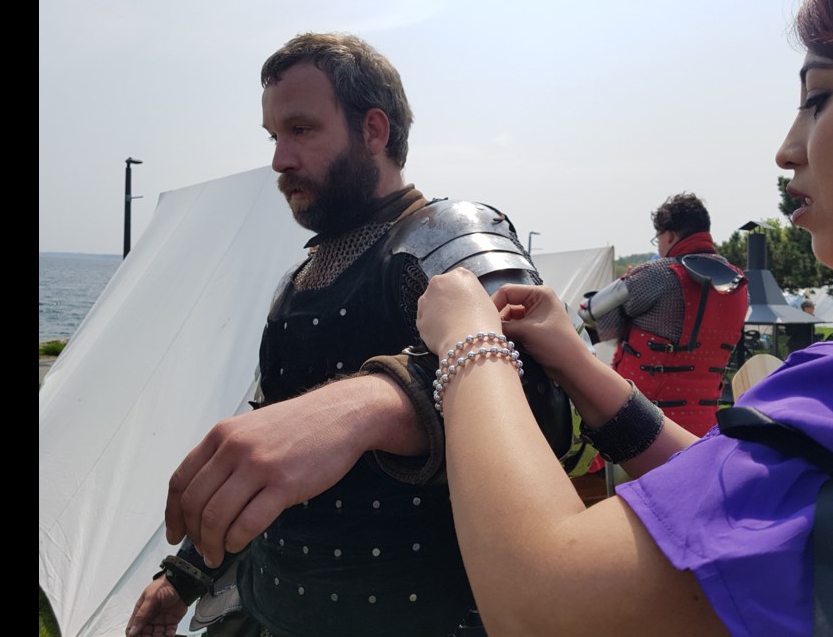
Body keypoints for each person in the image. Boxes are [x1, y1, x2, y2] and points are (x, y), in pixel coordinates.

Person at [413, 0, 833, 634]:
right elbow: (766, 497)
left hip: (671, 415)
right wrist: (576, 363)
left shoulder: (654, 277)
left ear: (666, 235)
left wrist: (468, 341)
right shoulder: (738, 285)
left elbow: (547, 607)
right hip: (708, 424)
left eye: (819, 96)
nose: (787, 149)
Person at [125, 32, 571, 637]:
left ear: (374, 131)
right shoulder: (298, 281)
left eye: (301, 130)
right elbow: (275, 451)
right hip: (271, 610)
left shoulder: (446, 235)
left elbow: (543, 401)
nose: (280, 159)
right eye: (274, 137)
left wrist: (376, 404)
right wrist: (183, 577)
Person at [578, 192, 748, 438]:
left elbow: (590, 312)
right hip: (704, 431)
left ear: (669, 235)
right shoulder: (739, 285)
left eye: (658, 237)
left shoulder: (658, 274)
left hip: (641, 428)